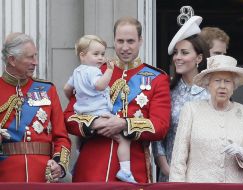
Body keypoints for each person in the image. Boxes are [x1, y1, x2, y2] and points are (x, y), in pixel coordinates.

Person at [64, 16, 170, 183]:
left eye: (131, 41)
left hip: (131, 170)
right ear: (114, 40)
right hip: (92, 167)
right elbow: (69, 117)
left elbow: (160, 125)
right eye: (120, 41)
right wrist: (95, 123)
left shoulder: (157, 78)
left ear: (141, 41)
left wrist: (124, 124)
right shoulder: (95, 70)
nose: (125, 47)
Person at [169, 54, 243, 183]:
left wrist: (242, 153)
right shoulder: (191, 110)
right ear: (208, 84)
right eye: (217, 80)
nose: (222, 86)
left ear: (234, 86)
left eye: (227, 81)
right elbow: (178, 160)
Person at [63, 35, 136, 183]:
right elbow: (100, 85)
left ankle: (78, 155)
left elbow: (66, 88)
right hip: (99, 112)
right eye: (96, 54)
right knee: (123, 139)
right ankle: (126, 171)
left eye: (102, 54)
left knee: (82, 139)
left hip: (83, 113)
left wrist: (77, 97)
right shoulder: (94, 71)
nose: (100, 58)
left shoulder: (77, 71)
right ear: (82, 55)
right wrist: (109, 71)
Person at [0, 32, 71, 182]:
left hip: (43, 176)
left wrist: (59, 164)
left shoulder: (47, 89)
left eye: (35, 56)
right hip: (6, 176)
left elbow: (61, 137)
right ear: (12, 60)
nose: (35, 62)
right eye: (30, 57)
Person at [152, 12, 210, 182]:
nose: (178, 57)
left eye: (184, 53)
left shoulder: (211, 93)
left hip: (204, 176)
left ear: (199, 58)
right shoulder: (167, 92)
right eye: (176, 53)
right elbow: (158, 136)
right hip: (170, 175)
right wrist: (165, 168)